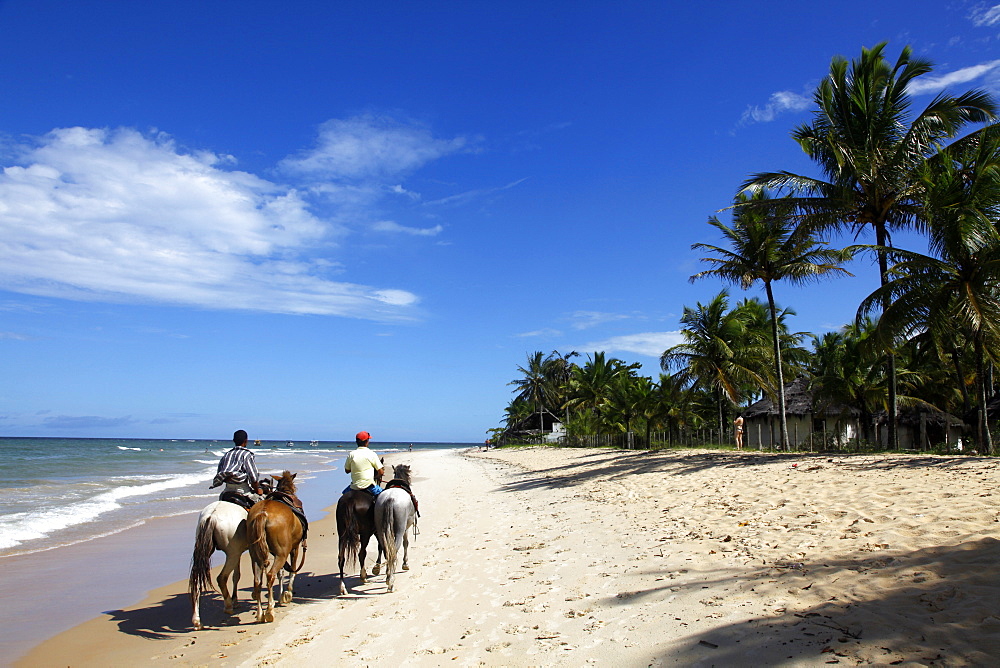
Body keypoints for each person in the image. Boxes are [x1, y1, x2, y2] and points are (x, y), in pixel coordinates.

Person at [211, 429, 265, 504]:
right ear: (246, 441)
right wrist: (257, 490)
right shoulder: (247, 455)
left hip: (227, 491)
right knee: (261, 505)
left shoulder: (227, 455)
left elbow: (220, 473)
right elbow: (253, 477)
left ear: (234, 440)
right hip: (243, 491)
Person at [343, 430, 384, 496]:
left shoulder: (351, 454)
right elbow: (381, 472)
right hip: (369, 486)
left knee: (343, 496)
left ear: (356, 442)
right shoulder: (372, 454)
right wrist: (376, 476)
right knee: (383, 496)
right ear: (367, 442)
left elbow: (347, 470)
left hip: (354, 487)